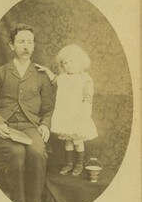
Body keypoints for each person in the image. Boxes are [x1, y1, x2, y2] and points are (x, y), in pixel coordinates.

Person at [0, 23, 55, 202]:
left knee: (37, 152)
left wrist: (45, 125)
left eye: (30, 42)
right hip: (5, 127)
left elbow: (48, 109)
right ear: (12, 45)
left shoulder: (40, 75)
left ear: (34, 46)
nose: (26, 46)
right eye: (21, 41)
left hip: (30, 127)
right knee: (17, 152)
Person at [35, 44, 98, 177]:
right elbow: (54, 80)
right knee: (68, 140)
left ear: (80, 62)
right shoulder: (63, 77)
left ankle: (79, 164)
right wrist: (47, 70)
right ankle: (69, 163)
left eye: (72, 61)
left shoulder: (84, 79)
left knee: (77, 140)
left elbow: (88, 97)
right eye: (65, 63)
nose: (69, 65)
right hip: (65, 115)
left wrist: (85, 113)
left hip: (78, 115)